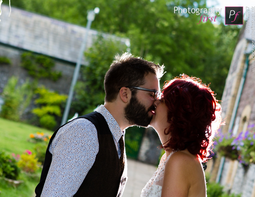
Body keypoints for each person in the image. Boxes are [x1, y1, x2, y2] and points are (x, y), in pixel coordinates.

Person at [35, 52, 164, 197]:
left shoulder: (115, 136)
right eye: (152, 94)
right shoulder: (84, 132)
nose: (157, 101)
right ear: (125, 94)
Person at [141, 74, 222, 197]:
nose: (156, 101)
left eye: (163, 99)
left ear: (177, 113)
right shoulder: (171, 157)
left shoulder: (179, 161)